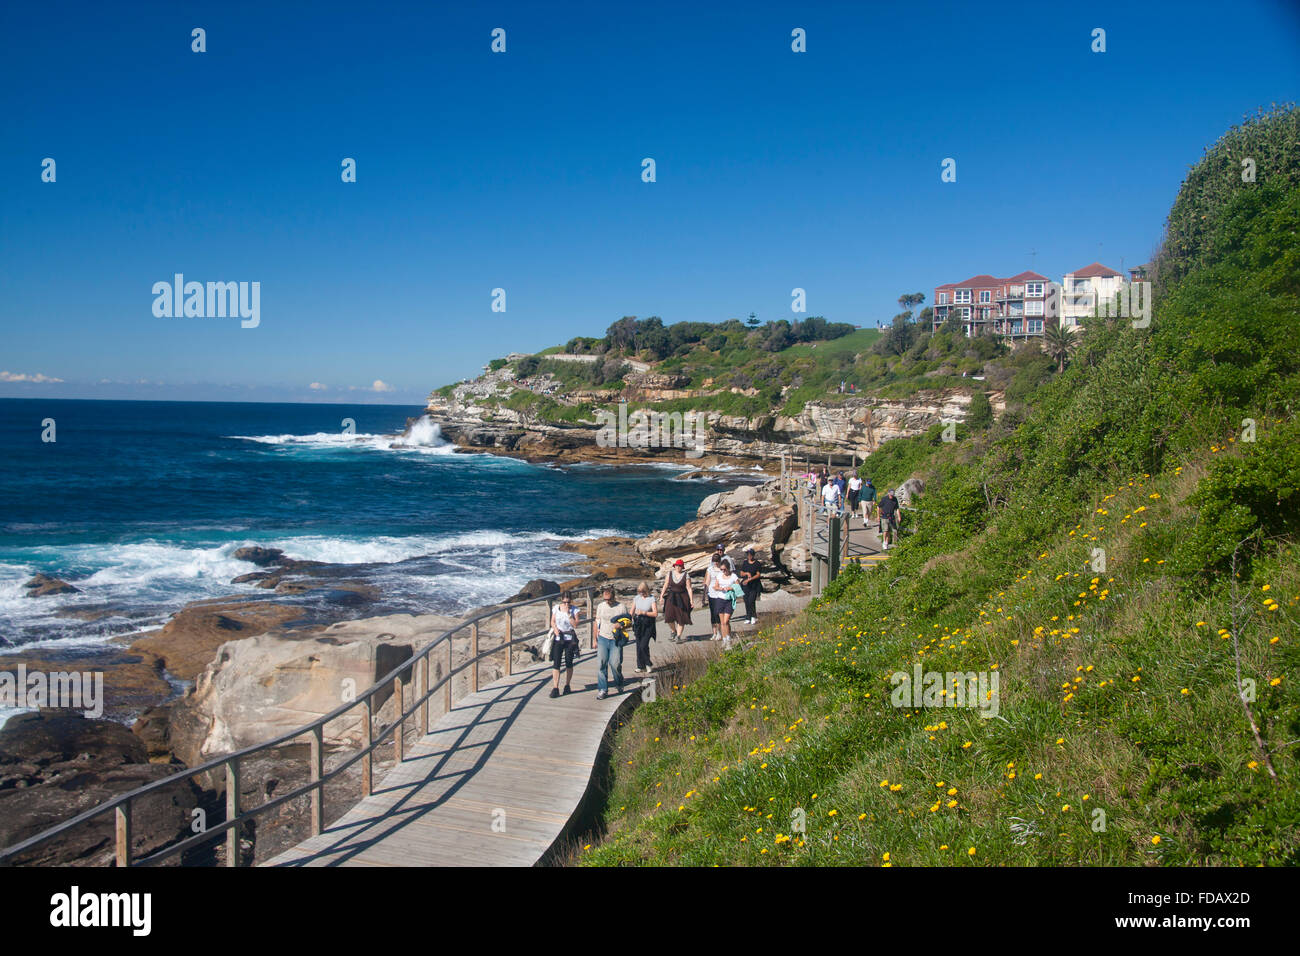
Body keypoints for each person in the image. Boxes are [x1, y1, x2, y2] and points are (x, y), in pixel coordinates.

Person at [594, 586, 628, 699]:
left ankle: (619, 682)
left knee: (615, 664)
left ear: (614, 597)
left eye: (609, 599)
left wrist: (621, 625)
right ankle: (603, 689)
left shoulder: (621, 607)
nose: (607, 601)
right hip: (603, 638)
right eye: (605, 599)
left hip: (616, 639)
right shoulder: (601, 606)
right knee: (601, 664)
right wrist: (595, 639)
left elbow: (629, 621)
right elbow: (597, 622)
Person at [548, 592, 582, 698]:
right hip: (559, 637)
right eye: (564, 602)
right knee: (556, 662)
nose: (566, 604)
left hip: (569, 638)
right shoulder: (556, 608)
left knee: (569, 662)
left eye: (568, 602)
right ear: (562, 600)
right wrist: (555, 629)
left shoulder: (574, 610)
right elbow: (552, 621)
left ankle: (567, 685)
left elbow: (576, 624)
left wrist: (569, 614)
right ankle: (555, 687)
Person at [659, 558, 693, 642]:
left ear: (682, 567)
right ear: (674, 566)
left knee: (681, 617)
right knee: (668, 616)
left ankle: (678, 636)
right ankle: (674, 631)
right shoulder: (670, 574)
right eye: (677, 565)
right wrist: (661, 596)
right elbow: (666, 585)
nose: (678, 567)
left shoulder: (686, 575)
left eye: (680, 566)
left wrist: (691, 600)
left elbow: (689, 588)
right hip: (671, 597)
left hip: (682, 597)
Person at [713, 560, 740, 649]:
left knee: (726, 621)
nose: (723, 571)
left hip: (729, 600)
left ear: (728, 568)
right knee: (722, 622)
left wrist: (731, 588)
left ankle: (728, 640)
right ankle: (725, 639)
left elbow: (738, 586)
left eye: (724, 569)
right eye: (721, 569)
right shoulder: (719, 576)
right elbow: (715, 586)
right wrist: (721, 588)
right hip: (720, 599)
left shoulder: (733, 576)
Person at [631, 582, 657, 673]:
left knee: (643, 645)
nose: (641, 593)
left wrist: (644, 613)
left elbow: (655, 613)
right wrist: (627, 621)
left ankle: (648, 663)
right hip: (638, 623)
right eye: (639, 591)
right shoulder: (636, 598)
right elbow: (632, 611)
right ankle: (640, 665)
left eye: (642, 591)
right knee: (638, 645)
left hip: (648, 623)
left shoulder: (651, 599)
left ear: (646, 590)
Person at [738, 547, 762, 625]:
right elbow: (741, 573)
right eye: (748, 554)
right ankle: (748, 616)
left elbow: (758, 575)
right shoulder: (745, 563)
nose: (749, 556)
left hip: (754, 585)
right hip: (745, 585)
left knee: (751, 600)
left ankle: (753, 616)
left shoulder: (757, 563)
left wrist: (750, 579)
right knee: (746, 601)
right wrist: (746, 574)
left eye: (751, 554)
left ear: (753, 555)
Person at [706, 552, 725, 640]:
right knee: (712, 614)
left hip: (720, 593)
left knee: (718, 613)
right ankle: (714, 632)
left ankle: (719, 632)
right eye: (714, 561)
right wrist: (706, 590)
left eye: (717, 561)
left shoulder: (722, 570)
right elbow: (708, 580)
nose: (716, 563)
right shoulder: (710, 569)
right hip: (712, 593)